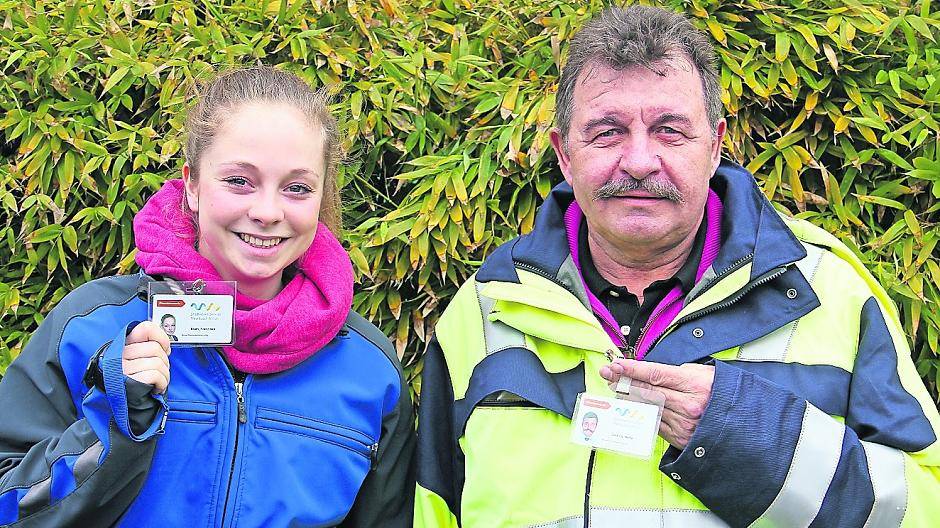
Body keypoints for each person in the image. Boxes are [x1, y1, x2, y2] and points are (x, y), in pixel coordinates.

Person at [414, 6, 940, 527]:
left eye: (669, 131)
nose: (639, 162)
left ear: (715, 147)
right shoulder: (484, 311)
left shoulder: (828, 292)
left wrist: (750, 436)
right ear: (565, 155)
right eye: (607, 132)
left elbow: (926, 506)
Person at [0, 66, 415, 527]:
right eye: (239, 181)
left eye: (297, 188)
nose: (267, 211)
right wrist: (113, 419)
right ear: (193, 186)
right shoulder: (89, 327)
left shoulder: (371, 372)